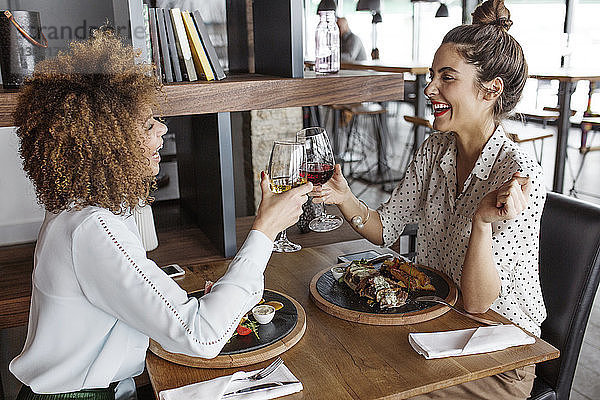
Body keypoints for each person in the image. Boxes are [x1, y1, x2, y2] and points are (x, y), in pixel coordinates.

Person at [9, 29, 312, 400]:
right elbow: (203, 337)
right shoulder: (93, 228)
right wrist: (265, 229)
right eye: (146, 124)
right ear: (107, 144)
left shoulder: (75, 211)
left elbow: (139, 301)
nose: (163, 129)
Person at [314, 0, 545, 398]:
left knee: (370, 389)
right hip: (435, 324)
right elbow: (385, 228)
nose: (429, 88)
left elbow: (476, 303)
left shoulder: (517, 174)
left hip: (497, 349)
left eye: (447, 77)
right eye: (432, 75)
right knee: (336, 359)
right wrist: (345, 197)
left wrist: (481, 222)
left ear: (491, 90)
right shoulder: (435, 148)